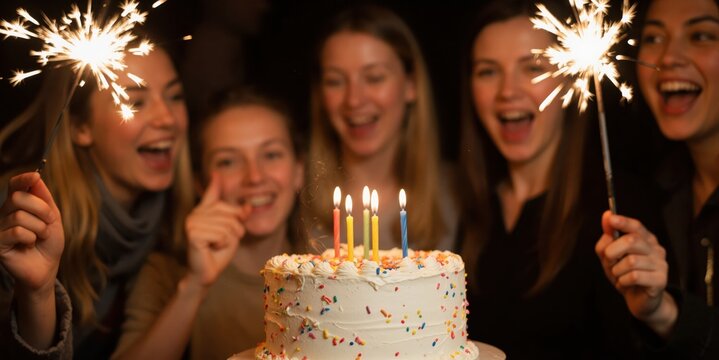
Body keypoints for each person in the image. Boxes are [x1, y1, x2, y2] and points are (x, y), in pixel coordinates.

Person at [458, 0, 646, 358]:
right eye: (487, 71)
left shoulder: (617, 209)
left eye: (532, 67)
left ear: (568, 77)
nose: (507, 92)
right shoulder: (466, 207)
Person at [0, 45, 194, 359]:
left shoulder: (172, 224)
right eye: (134, 101)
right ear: (80, 127)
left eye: (175, 96)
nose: (167, 119)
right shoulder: (19, 221)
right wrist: (37, 295)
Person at [112, 89, 306, 360]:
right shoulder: (165, 273)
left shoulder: (335, 263)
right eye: (228, 161)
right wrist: (195, 286)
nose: (255, 177)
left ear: (299, 170)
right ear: (200, 183)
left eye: (271, 155)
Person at [595, 0, 719, 357]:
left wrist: (670, 312)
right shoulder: (655, 192)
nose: (667, 58)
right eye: (653, 37)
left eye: (701, 35)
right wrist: (654, 309)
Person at [304, 4, 457, 252]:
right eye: (335, 81)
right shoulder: (293, 193)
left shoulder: (458, 194)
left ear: (411, 84)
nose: (354, 100)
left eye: (374, 78)